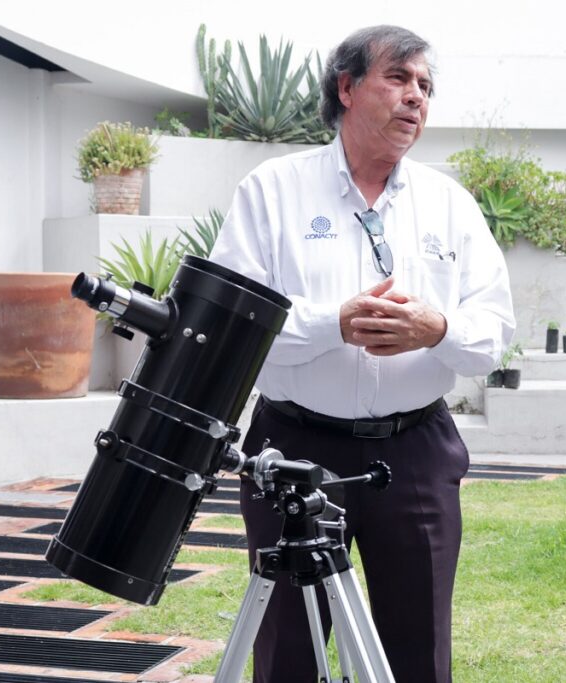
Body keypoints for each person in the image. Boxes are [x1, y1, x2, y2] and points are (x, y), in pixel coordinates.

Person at [210, 24, 514, 683]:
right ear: (347, 88)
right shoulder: (272, 191)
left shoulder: (450, 205)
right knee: (289, 650)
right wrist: (333, 323)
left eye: (426, 86)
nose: (416, 98)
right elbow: (236, 326)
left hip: (415, 453)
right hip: (293, 452)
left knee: (419, 649)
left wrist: (437, 328)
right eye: (399, 78)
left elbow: (493, 331)